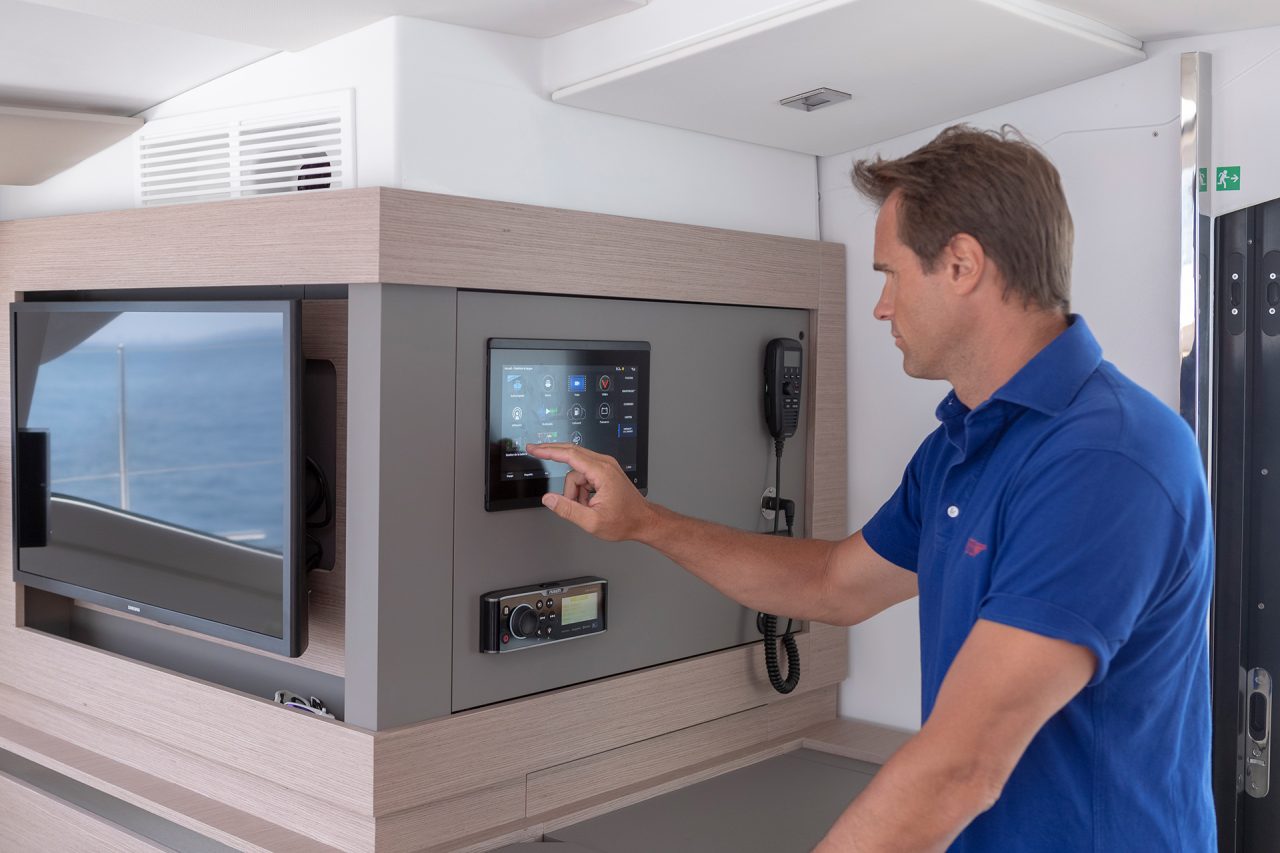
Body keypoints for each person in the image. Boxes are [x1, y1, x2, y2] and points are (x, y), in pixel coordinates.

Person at [526, 124, 1214, 852]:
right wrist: (644, 522)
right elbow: (834, 583)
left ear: (961, 264)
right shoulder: (962, 446)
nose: (882, 306)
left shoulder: (1108, 457)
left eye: (890, 273)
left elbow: (964, 765)